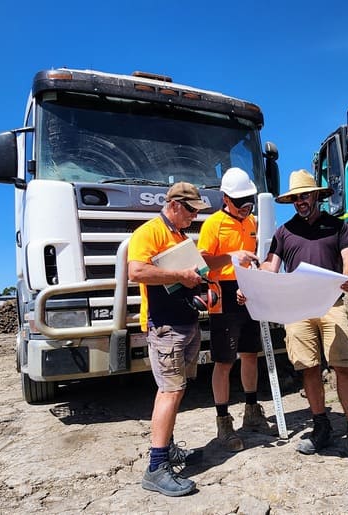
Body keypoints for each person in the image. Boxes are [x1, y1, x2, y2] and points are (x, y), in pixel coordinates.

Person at [259, 170, 348, 466]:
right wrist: (253, 274)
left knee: (343, 367)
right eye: (295, 198)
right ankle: (321, 428)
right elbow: (271, 266)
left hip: (332, 304)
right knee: (309, 368)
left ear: (316, 195)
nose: (300, 202)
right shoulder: (284, 232)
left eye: (304, 195)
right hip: (297, 309)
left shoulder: (338, 227)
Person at [127, 182, 210, 496]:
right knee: (170, 390)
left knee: (177, 390)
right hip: (165, 326)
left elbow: (190, 274)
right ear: (174, 204)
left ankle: (169, 449)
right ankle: (156, 467)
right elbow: (136, 272)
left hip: (184, 322)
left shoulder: (178, 236)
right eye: (190, 210)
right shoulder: (149, 233)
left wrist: (198, 283)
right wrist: (180, 275)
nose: (193, 217)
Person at [197, 168, 274, 452]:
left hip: (248, 291)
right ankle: (223, 421)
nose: (246, 206)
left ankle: (252, 410)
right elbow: (202, 266)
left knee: (250, 354)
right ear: (225, 199)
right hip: (224, 295)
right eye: (240, 201)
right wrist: (230, 257)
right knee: (224, 360)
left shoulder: (253, 221)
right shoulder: (213, 224)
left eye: (249, 200)